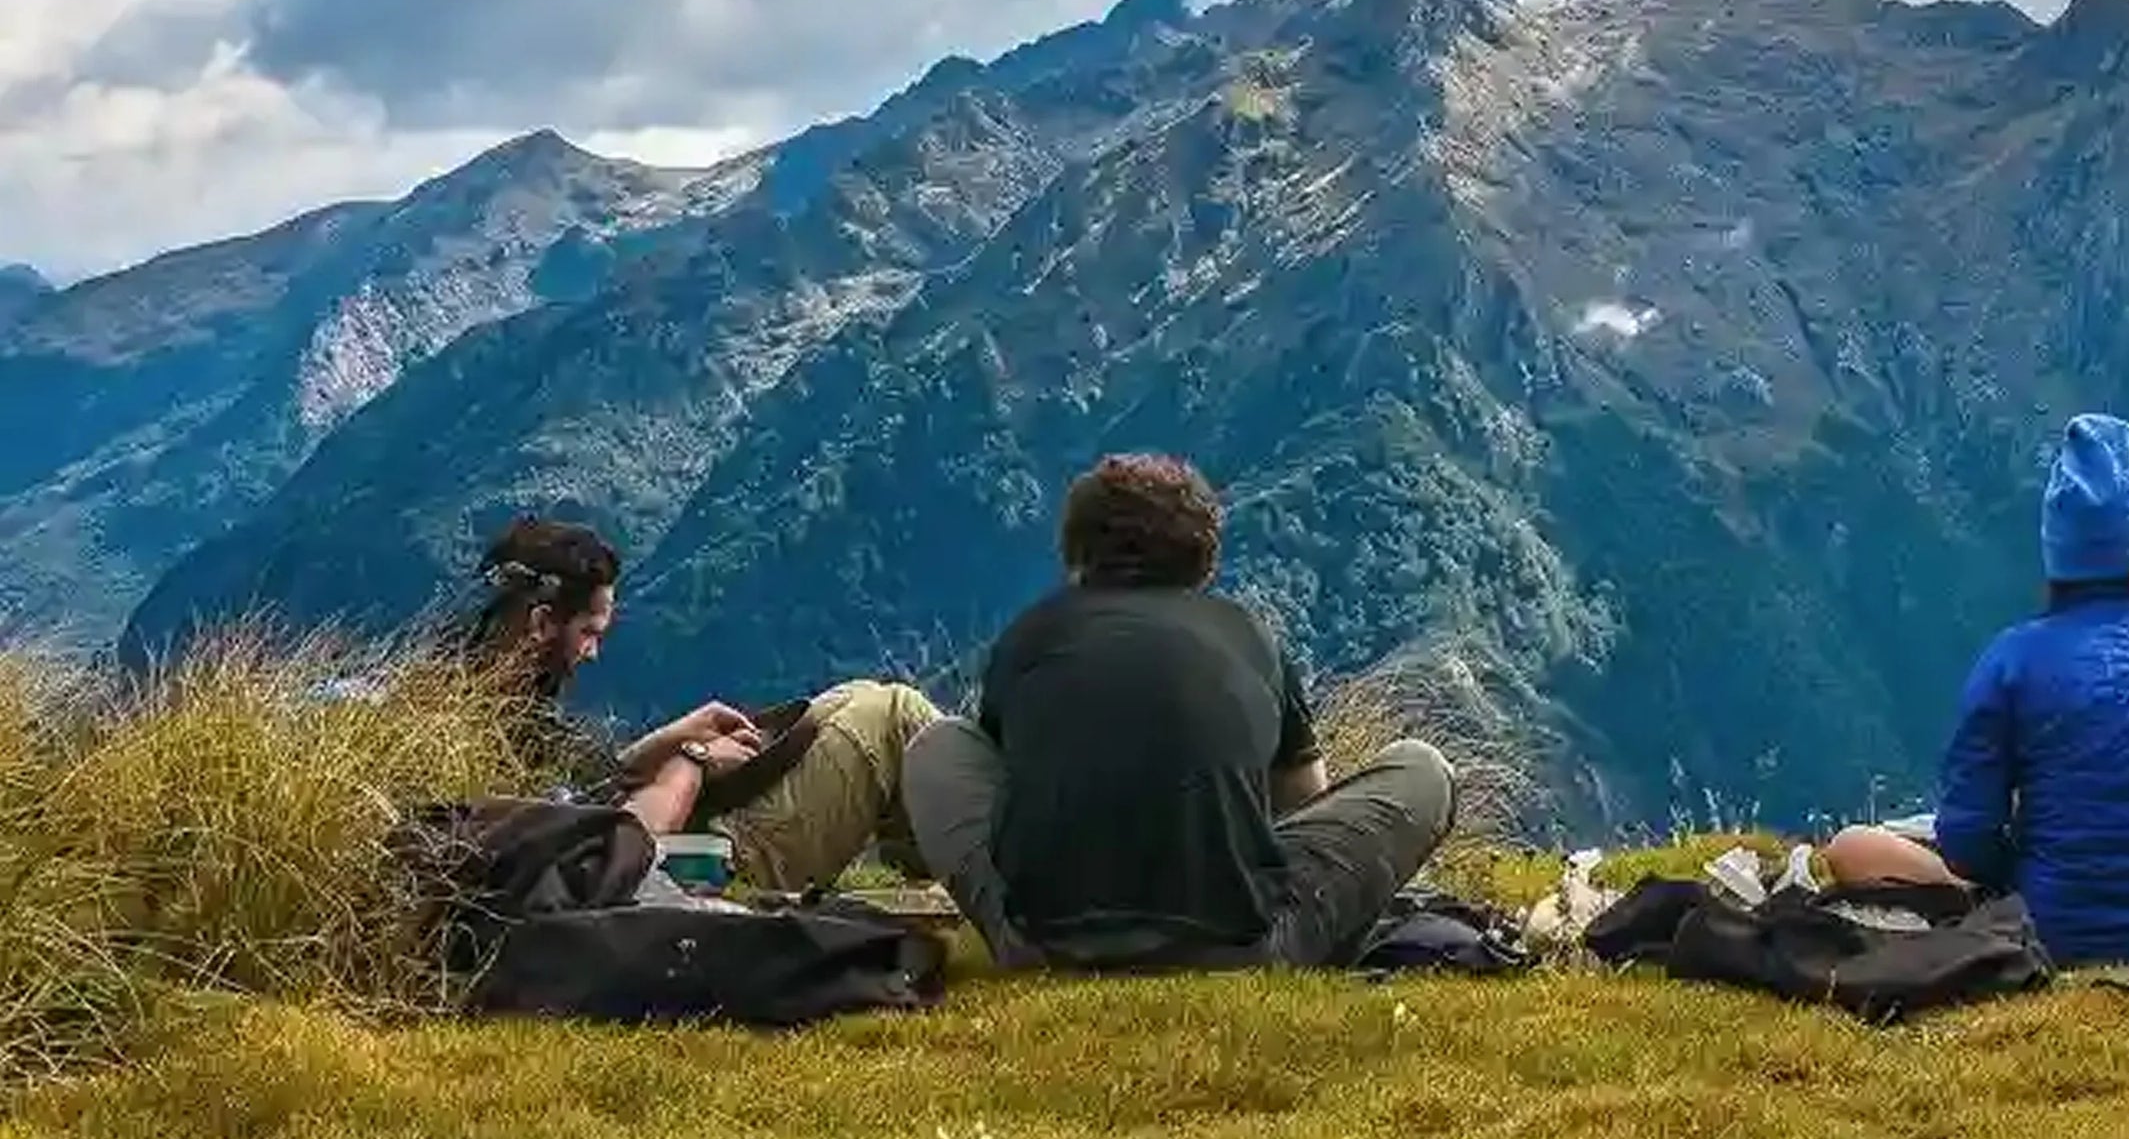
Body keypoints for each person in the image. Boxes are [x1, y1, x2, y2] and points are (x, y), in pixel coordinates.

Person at [903, 452, 1458, 971]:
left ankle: (1017, 928)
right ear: (1205, 558)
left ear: (1074, 551)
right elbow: (1305, 801)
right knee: (1422, 769)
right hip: (1236, 947)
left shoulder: (1028, 638)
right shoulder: (1250, 636)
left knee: (936, 746)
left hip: (1045, 945)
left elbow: (1009, 786)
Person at [1822, 414, 2129, 967]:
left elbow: (1966, 840)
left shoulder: (2013, 660)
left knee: (1851, 847)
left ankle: (1976, 911)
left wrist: (2018, 862)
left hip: (2045, 930)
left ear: (2057, 554)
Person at [461, 516, 941, 893]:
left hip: (661, 863)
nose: (593, 653)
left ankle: (946, 878)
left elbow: (578, 802)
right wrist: (693, 761)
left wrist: (674, 737)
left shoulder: (468, 701)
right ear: (543, 622)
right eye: (588, 633)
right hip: (690, 881)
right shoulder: (489, 730)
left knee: (845, 701)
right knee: (893, 711)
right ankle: (1000, 881)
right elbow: (616, 849)